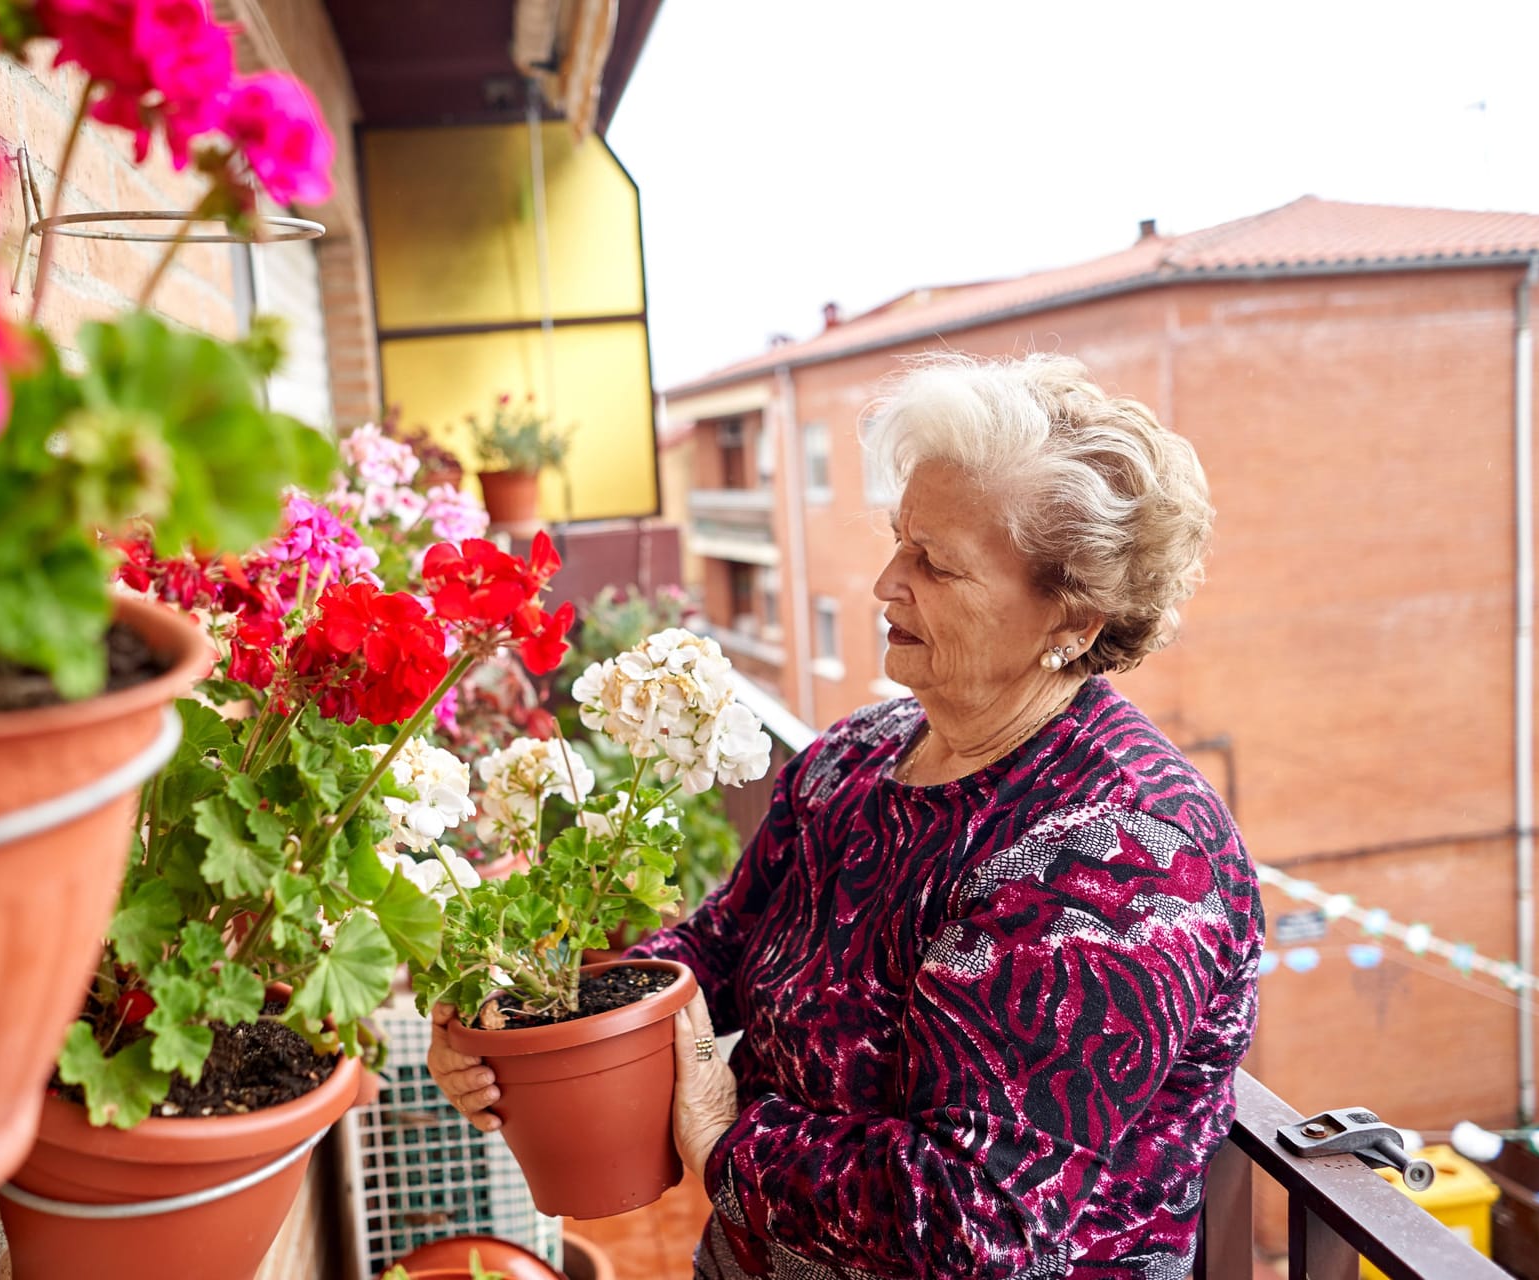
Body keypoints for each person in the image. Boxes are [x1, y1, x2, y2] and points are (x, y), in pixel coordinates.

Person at [428, 353, 1262, 1278]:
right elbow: (718, 951)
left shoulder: (1128, 857)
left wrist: (727, 1138)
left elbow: (971, 1219)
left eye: (936, 564)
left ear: (1070, 617)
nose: (884, 584)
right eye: (902, 540)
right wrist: (522, 1023)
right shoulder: (856, 761)